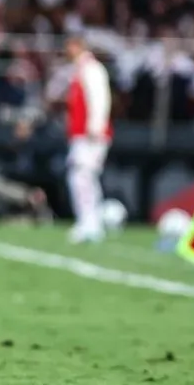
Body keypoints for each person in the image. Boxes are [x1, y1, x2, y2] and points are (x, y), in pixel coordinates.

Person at [63, 32, 113, 244]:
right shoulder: (80, 69)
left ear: (76, 46)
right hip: (81, 133)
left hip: (90, 134)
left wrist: (95, 126)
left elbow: (100, 98)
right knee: (84, 178)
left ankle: (89, 222)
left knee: (81, 177)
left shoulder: (92, 69)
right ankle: (90, 222)